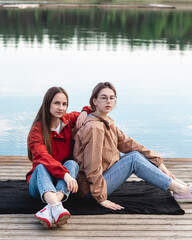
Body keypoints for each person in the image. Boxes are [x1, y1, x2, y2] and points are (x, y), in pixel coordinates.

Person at [73, 82, 192, 211]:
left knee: (134, 154)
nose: (109, 101)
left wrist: (158, 162)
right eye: (104, 97)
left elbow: (129, 144)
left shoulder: (105, 122)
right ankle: (182, 190)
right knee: (133, 159)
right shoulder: (94, 127)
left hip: (102, 179)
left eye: (112, 98)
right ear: (95, 101)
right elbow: (92, 166)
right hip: (90, 191)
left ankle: (181, 186)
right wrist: (100, 198)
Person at [26, 86, 91, 228]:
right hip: (39, 184)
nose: (61, 107)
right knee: (41, 166)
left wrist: (84, 112)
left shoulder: (68, 120)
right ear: (48, 104)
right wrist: (65, 175)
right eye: (56, 103)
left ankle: (51, 208)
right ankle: (56, 206)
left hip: (60, 182)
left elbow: (93, 109)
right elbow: (43, 157)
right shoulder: (36, 131)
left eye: (64, 104)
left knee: (72, 164)